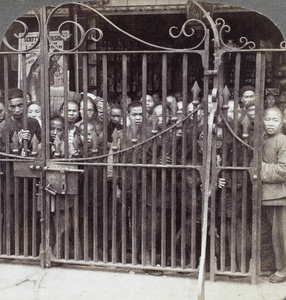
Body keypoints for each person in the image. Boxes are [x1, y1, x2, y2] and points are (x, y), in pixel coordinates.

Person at [259, 106, 286, 283]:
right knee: (265, 233)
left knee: (280, 234)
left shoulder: (282, 141)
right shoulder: (260, 139)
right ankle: (270, 265)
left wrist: (259, 168)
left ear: (282, 122)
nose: (270, 123)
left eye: (274, 120)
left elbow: (283, 170)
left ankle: (283, 269)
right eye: (267, 119)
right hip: (261, 195)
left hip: (278, 196)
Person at [0, 88, 41, 155]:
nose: (17, 110)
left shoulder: (34, 122)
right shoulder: (4, 125)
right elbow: (3, 151)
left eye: (20, 105)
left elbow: (41, 145)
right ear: (7, 107)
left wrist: (30, 141)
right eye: (12, 107)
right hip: (11, 163)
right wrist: (19, 142)